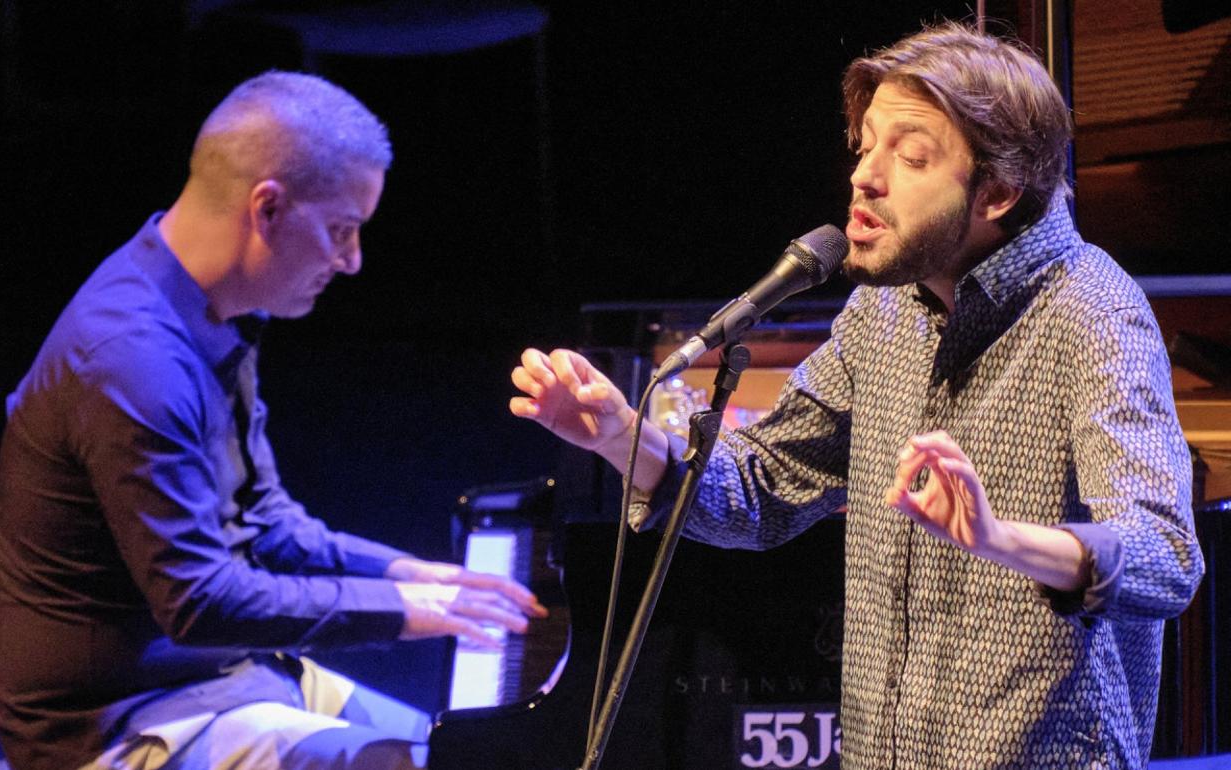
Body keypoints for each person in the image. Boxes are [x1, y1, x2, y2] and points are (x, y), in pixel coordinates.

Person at [510, 22, 1204, 770]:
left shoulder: (1094, 311)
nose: (864, 178)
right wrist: (623, 435)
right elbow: (759, 490)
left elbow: (1165, 557)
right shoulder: (883, 312)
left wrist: (998, 539)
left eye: (910, 156)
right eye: (865, 145)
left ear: (998, 191)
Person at [0, 71, 546, 770]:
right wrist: (403, 610)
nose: (352, 261)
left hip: (215, 675)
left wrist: (409, 574)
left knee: (478, 754)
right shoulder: (133, 360)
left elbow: (266, 523)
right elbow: (201, 604)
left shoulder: (222, 307)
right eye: (342, 231)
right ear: (269, 208)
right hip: (114, 724)